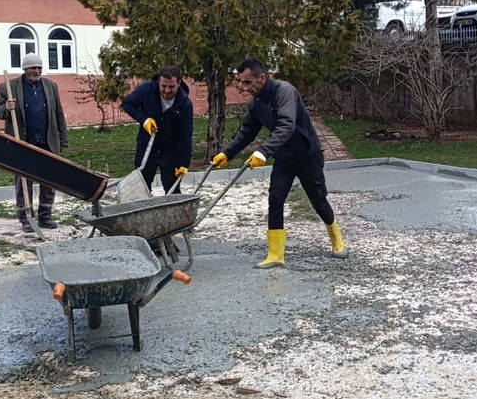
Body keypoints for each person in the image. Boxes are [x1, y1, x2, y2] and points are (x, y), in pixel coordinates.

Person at [211, 58, 346, 268]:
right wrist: (226, 154)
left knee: (318, 200)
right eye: (240, 82)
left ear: (262, 77)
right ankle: (275, 254)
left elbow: (286, 125)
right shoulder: (256, 103)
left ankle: (337, 240)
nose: (243, 88)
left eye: (247, 82)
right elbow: (247, 132)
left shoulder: (284, 92)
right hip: (284, 158)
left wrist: (262, 152)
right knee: (275, 199)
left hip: (306, 155)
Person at [0, 53, 69, 231]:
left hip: (47, 141)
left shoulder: (51, 86)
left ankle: (45, 216)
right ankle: (26, 217)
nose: (36, 71)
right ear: (25, 69)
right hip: (23, 142)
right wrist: (6, 108)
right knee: (23, 182)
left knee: (49, 180)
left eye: (39, 68)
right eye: (32, 68)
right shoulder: (8, 87)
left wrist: (63, 140)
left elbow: (58, 114)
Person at [121, 66, 193, 194]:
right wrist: (144, 120)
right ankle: (143, 212)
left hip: (170, 149)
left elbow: (186, 135)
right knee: (141, 186)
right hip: (147, 145)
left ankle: (173, 213)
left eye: (171, 87)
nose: (166, 90)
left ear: (179, 83)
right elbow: (127, 104)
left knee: (172, 188)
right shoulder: (147, 89)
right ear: (159, 82)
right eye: (163, 86)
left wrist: (184, 163)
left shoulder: (184, 103)